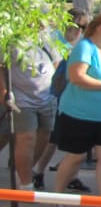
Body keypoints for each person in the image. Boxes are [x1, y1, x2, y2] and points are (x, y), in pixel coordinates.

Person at [52, 11, 101, 207]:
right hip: (79, 114)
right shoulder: (85, 47)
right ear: (100, 28)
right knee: (75, 157)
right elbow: (76, 77)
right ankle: (57, 197)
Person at [32, 8, 90, 190]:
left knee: (78, 138)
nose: (81, 30)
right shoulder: (55, 40)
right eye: (78, 26)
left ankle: (71, 174)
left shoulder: (75, 42)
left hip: (71, 95)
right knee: (54, 138)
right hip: (56, 96)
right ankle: (38, 171)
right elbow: (59, 67)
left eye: (85, 26)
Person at [0, 25, 59, 189]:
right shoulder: (10, 37)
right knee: (26, 138)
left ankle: (24, 170)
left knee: (44, 136)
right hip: (22, 99)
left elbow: (57, 60)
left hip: (47, 96)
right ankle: (25, 184)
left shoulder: (47, 36)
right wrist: (4, 92)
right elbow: (1, 66)